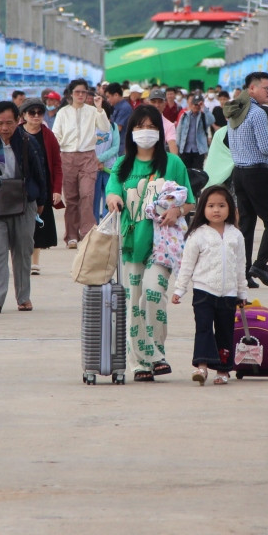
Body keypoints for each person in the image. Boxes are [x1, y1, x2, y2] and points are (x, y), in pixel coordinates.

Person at [105, 105, 195, 382]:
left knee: (153, 296)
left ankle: (156, 353)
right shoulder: (123, 165)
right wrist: (113, 199)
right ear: (131, 131)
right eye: (140, 126)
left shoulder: (173, 164)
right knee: (133, 303)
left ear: (161, 131)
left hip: (162, 246)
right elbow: (111, 191)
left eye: (152, 127)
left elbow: (191, 202)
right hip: (133, 244)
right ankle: (139, 363)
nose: (146, 132)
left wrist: (177, 211)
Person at [171, 184, 248, 386]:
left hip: (229, 293)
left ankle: (223, 370)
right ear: (202, 209)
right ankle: (202, 367)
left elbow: (241, 266)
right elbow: (186, 265)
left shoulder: (236, 235)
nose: (216, 210)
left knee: (225, 331)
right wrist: (180, 289)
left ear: (230, 208)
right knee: (203, 328)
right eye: (211, 205)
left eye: (221, 205)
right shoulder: (198, 235)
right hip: (204, 291)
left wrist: (242, 292)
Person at [0, 101, 48, 314]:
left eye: (9, 123)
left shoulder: (27, 141)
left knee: (23, 251)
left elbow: (40, 172)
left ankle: (24, 297)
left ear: (18, 120)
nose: (4, 128)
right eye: (0, 123)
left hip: (24, 202)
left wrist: (40, 201)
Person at [225, 72, 268, 288]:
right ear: (252, 88)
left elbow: (243, 142)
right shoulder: (259, 113)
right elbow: (264, 149)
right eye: (266, 88)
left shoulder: (236, 110)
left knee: (247, 223)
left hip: (239, 172)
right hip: (257, 174)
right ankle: (260, 265)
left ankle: (243, 272)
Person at [54, 78, 112, 248]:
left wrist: (100, 108)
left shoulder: (93, 111)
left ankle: (87, 232)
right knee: (71, 198)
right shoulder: (63, 112)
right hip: (67, 156)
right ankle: (71, 235)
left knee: (87, 194)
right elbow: (56, 133)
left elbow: (106, 128)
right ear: (71, 94)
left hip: (88, 156)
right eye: (77, 92)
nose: (81, 95)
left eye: (84, 92)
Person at [20, 98, 63, 275]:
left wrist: (57, 190)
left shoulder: (48, 135)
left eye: (40, 112)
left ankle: (34, 262)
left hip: (42, 186)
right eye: (32, 113)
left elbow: (57, 165)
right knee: (21, 226)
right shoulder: (16, 133)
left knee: (38, 224)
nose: (36, 116)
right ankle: (22, 260)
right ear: (24, 115)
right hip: (19, 186)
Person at [93, 106, 121, 222]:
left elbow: (115, 147)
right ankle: (93, 227)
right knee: (93, 200)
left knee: (109, 199)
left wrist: (99, 159)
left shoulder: (113, 127)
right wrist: (95, 161)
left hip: (109, 168)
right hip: (93, 168)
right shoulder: (90, 127)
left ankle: (107, 227)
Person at [176, 94, 213, 171]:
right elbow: (179, 131)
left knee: (198, 172)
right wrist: (177, 146)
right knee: (185, 171)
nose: (196, 106)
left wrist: (204, 107)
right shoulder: (184, 115)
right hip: (185, 149)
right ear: (191, 104)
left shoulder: (203, 116)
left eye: (198, 104)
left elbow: (212, 120)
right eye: (195, 104)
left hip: (199, 150)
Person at [147, 87, 180, 154]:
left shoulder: (169, 125)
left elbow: (172, 144)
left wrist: (174, 162)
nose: (157, 105)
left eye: (160, 102)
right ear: (148, 103)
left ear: (164, 104)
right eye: (154, 102)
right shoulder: (140, 121)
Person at [103, 82, 133, 153]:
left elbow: (118, 128)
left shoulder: (124, 108)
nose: (107, 100)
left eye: (108, 97)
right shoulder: (116, 107)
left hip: (122, 146)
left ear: (116, 95)